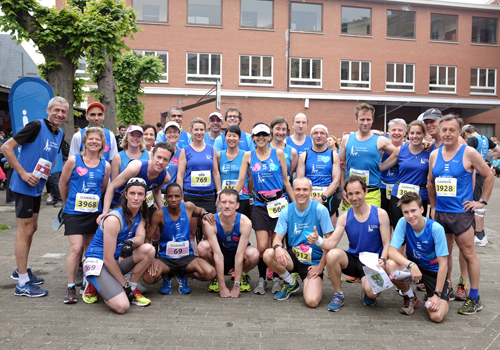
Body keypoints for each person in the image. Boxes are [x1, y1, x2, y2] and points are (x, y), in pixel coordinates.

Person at [428, 114, 494, 315]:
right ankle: (445, 289)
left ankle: (474, 297)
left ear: (459, 132)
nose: (447, 134)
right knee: (443, 255)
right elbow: (431, 182)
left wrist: (480, 201)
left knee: (468, 253)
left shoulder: (469, 152)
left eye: (452, 130)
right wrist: (432, 206)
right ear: (440, 132)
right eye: (444, 130)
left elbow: (489, 175)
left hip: (461, 213)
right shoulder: (434, 154)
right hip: (441, 214)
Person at [2, 96, 68, 297]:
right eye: (56, 110)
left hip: (37, 187)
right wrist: (22, 172)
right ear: (48, 110)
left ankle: (23, 269)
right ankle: (22, 283)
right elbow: (6, 147)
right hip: (23, 186)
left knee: (32, 228)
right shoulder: (36, 126)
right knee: (24, 231)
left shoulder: (60, 132)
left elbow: (52, 156)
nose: (59, 114)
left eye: (63, 111)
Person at [308, 175, 391, 312]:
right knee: (333, 254)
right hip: (353, 261)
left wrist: (383, 259)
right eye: (350, 194)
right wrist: (318, 240)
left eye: (358, 192)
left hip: (373, 263)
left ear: (366, 192)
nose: (354, 197)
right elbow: (331, 243)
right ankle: (338, 294)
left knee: (372, 292)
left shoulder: (381, 214)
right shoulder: (345, 216)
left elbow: (387, 243)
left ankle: (367, 292)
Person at [234, 122, 295, 295]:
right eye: (257, 135)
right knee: (262, 247)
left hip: (279, 205)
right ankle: (262, 278)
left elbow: (285, 181)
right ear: (253, 138)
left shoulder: (279, 154)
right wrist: (229, 198)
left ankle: (277, 278)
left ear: (269, 137)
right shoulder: (248, 155)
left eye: (264, 135)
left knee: (277, 245)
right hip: (260, 205)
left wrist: (294, 203)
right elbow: (240, 181)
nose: (261, 138)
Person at [84, 178, 155, 312]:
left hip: (115, 262)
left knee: (149, 250)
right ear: (125, 195)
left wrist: (130, 242)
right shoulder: (114, 219)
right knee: (122, 307)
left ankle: (133, 289)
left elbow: (140, 237)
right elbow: (108, 259)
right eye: (132, 193)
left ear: (145, 197)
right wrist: (124, 285)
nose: (136, 198)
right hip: (98, 262)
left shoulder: (140, 214)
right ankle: (94, 284)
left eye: (140, 194)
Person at [59, 127, 111, 304]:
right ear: (85, 141)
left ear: (102, 143)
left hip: (93, 214)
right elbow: (62, 184)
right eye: (91, 139)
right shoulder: (74, 160)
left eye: (97, 140)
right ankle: (71, 286)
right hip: (73, 212)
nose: (94, 142)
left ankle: (88, 284)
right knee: (76, 248)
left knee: (90, 250)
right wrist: (68, 205)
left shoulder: (106, 165)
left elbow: (103, 188)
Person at [263, 177, 333, 307]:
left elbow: (331, 243)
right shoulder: (286, 210)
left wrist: (320, 266)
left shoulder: (320, 210)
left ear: (311, 191)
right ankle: (291, 282)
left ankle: (308, 281)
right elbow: (277, 239)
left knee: (312, 302)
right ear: (293, 191)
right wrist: (278, 248)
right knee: (268, 254)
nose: (301, 193)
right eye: (298, 189)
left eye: (305, 190)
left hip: (313, 263)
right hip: (293, 258)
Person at [385, 192, 449, 322]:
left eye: (413, 210)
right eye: (406, 212)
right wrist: (411, 265)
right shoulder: (403, 222)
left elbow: (443, 264)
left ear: (422, 209)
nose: (410, 216)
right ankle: (410, 296)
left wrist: (436, 295)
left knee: (436, 316)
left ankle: (442, 290)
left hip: (433, 272)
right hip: (414, 266)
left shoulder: (436, 229)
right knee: (389, 265)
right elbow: (391, 251)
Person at [143, 183, 216, 294]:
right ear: (165, 198)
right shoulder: (159, 214)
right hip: (166, 258)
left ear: (182, 197)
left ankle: (182, 275)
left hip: (186, 257)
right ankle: (167, 277)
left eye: (177, 196)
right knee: (148, 278)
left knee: (210, 273)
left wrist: (205, 213)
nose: (173, 199)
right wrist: (151, 259)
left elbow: (200, 210)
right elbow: (148, 238)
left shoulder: (188, 207)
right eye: (170, 196)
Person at [198, 188, 259, 298]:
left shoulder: (245, 222)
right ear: (218, 204)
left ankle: (243, 274)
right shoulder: (211, 221)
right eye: (224, 202)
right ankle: (217, 276)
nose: (227, 206)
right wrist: (223, 287)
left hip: (238, 252)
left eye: (231, 203)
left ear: (237, 205)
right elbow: (217, 254)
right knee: (202, 247)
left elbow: (239, 255)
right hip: (220, 252)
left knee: (254, 254)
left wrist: (236, 286)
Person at [98, 142, 174, 224]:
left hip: (137, 205)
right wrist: (105, 212)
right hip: (117, 202)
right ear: (152, 156)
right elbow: (112, 186)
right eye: (158, 157)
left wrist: (163, 212)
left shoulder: (165, 178)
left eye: (165, 159)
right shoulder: (135, 168)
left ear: (169, 161)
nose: (161, 162)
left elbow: (156, 191)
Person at [177, 117, 221, 251]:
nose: (199, 132)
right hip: (190, 195)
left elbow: (215, 173)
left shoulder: (211, 149)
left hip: (208, 196)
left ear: (205, 131)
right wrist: (181, 195)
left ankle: (206, 255)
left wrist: (219, 193)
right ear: (191, 131)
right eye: (196, 129)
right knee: (191, 231)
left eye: (202, 129)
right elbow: (180, 174)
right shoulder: (185, 150)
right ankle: (191, 255)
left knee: (209, 231)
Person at [339, 103, 395, 209]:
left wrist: (383, 166)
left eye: (368, 120)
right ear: (356, 119)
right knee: (350, 225)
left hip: (372, 193)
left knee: (372, 224)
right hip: (351, 193)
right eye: (362, 119)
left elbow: (400, 154)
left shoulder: (380, 140)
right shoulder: (347, 139)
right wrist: (342, 189)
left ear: (373, 119)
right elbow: (341, 166)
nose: (365, 123)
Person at [380, 120, 429, 228]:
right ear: (408, 134)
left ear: (424, 135)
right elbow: (382, 166)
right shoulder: (400, 150)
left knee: (417, 229)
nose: (415, 136)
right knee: (399, 229)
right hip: (399, 195)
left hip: (420, 197)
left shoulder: (430, 152)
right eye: (412, 133)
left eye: (418, 133)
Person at [462, 124, 500, 247]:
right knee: (478, 201)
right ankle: (480, 234)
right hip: (482, 172)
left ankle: (479, 235)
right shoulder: (485, 138)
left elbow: (466, 155)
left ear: (466, 133)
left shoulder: (472, 140)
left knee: (476, 203)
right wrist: (483, 157)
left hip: (475, 173)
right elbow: (498, 150)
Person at [296, 124, 341, 227]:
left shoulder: (333, 155)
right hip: (309, 198)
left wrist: (323, 197)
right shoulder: (304, 156)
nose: (319, 135)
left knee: (330, 235)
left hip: (328, 198)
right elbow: (299, 180)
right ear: (311, 136)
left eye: (322, 133)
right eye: (316, 133)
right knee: (309, 233)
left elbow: (336, 181)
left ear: (326, 136)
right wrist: (309, 196)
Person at [216, 125, 252, 218]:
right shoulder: (219, 155)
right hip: (224, 199)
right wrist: (218, 193)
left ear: (239, 138)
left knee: (241, 225)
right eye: (229, 135)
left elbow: (251, 177)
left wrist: (249, 192)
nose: (231, 138)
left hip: (242, 198)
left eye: (235, 136)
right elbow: (217, 175)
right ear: (225, 138)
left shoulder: (245, 155)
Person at [110, 126, 150, 209]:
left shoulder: (149, 155)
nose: (135, 138)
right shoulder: (118, 157)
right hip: (121, 203)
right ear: (127, 137)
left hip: (144, 203)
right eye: (132, 135)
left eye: (139, 136)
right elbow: (114, 185)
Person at [379, 119, 406, 227]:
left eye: (400, 130)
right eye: (393, 130)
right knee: (385, 222)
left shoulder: (409, 148)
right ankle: (387, 244)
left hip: (401, 191)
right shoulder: (381, 147)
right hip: (383, 188)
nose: (396, 132)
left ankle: (400, 244)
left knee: (400, 223)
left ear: (405, 132)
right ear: (388, 132)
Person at [269, 117, 298, 181]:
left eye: (284, 129)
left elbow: (289, 174)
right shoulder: (264, 148)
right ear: (271, 129)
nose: (281, 132)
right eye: (278, 129)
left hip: (283, 189)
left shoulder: (292, 152)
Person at [163, 121, 182, 189]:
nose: (172, 134)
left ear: (179, 134)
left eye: (175, 132)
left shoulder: (182, 153)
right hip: (158, 191)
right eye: (169, 132)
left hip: (173, 192)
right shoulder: (158, 150)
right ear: (165, 134)